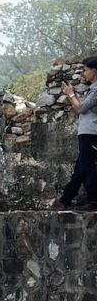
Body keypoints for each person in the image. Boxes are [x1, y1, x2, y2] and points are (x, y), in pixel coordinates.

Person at [54, 57, 97, 210]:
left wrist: (71, 94)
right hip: (87, 132)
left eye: (86, 70)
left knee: (87, 166)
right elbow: (83, 107)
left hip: (91, 132)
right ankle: (66, 198)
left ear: (94, 71)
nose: (84, 73)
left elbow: (80, 109)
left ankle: (93, 199)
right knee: (81, 167)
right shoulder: (92, 89)